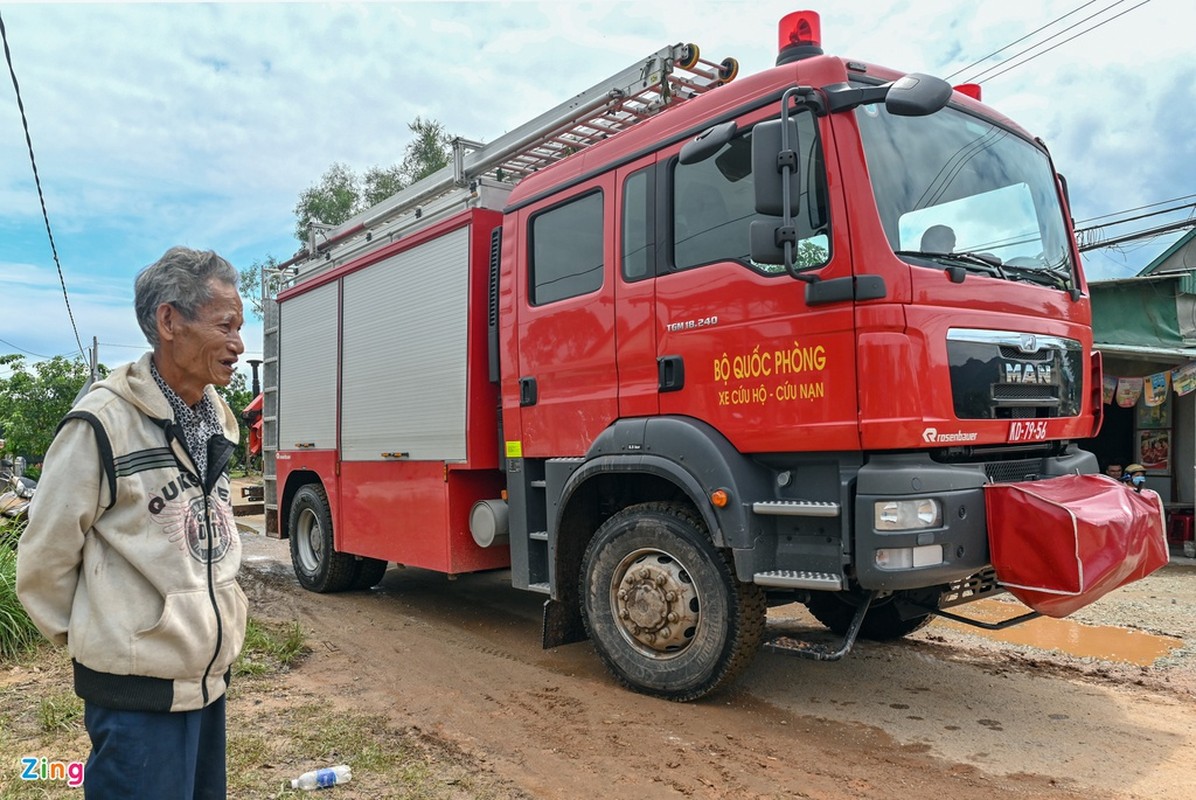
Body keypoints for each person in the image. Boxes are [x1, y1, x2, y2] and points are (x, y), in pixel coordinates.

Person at [17, 247, 247, 799]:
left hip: (206, 685)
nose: (239, 345)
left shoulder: (214, 414)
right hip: (134, 697)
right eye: (226, 326)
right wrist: (110, 640)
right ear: (169, 321)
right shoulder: (101, 422)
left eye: (241, 327)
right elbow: (43, 559)